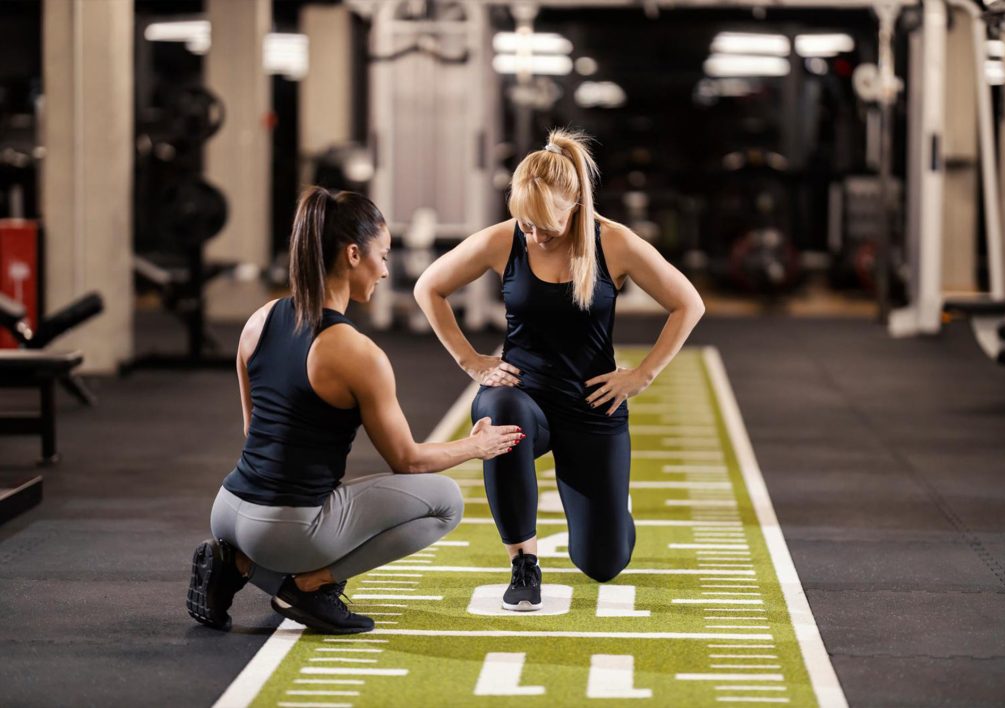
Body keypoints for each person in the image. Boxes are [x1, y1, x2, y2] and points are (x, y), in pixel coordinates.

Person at [186, 187, 524, 634]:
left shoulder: (260, 319)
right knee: (445, 502)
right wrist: (477, 445)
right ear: (351, 254)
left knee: (337, 496)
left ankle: (238, 563)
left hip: (228, 509)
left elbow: (255, 431)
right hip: (286, 530)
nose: (385, 271)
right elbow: (407, 461)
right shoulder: (357, 353)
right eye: (381, 256)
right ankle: (308, 587)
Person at [414, 128, 705, 611]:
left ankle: (610, 517)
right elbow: (430, 288)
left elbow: (687, 304)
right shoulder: (503, 240)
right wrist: (472, 360)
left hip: (593, 405)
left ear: (573, 207)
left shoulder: (614, 242)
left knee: (604, 563)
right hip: (524, 397)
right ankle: (523, 563)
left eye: (544, 227)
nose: (533, 236)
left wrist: (642, 375)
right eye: (525, 224)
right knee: (499, 414)